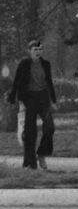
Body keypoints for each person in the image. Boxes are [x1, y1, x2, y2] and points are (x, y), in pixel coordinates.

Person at [6, 39, 57, 171]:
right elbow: (18, 82)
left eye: (40, 49)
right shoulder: (24, 64)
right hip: (29, 99)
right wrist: (19, 101)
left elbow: (49, 82)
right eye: (35, 49)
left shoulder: (45, 64)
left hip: (43, 98)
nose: (38, 52)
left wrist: (54, 101)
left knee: (50, 127)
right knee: (30, 132)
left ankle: (41, 154)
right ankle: (30, 163)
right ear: (29, 51)